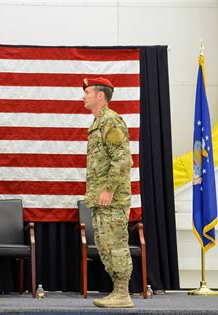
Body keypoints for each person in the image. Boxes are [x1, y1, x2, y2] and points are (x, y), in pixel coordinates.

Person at [82, 77, 134, 308]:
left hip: (112, 198)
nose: (83, 96)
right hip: (100, 198)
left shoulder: (111, 121)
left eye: (87, 92)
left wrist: (109, 189)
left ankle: (123, 294)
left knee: (116, 244)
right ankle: (117, 291)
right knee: (104, 244)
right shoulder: (97, 123)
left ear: (100, 95)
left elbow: (123, 159)